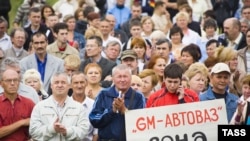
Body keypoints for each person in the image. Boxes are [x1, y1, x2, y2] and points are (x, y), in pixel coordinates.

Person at [89, 64, 145, 141]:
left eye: (125, 76)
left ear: (130, 78)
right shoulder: (103, 94)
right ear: (113, 79)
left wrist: (124, 111)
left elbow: (142, 124)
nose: (122, 80)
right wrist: (111, 110)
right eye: (119, 76)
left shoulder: (138, 97)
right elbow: (94, 120)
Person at [29, 72, 89, 140]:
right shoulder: (39, 106)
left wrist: (67, 131)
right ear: (51, 86)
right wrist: (52, 129)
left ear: (69, 86)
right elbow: (33, 131)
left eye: (63, 82)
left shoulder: (79, 108)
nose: (60, 85)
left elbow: (84, 131)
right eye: (56, 82)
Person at [0, 69, 35, 140]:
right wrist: (22, 122)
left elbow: (39, 126)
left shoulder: (29, 103)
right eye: (8, 80)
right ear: (1, 84)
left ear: (19, 82)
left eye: (15, 80)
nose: (12, 83)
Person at [70, 71, 98, 141]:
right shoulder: (64, 104)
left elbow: (96, 132)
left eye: (82, 82)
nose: (79, 86)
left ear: (86, 83)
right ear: (70, 85)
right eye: (76, 83)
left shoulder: (93, 105)